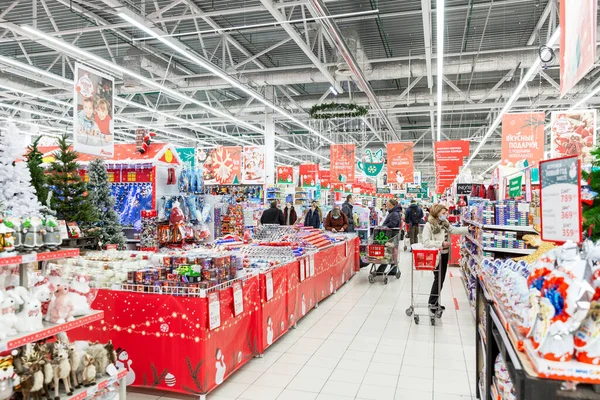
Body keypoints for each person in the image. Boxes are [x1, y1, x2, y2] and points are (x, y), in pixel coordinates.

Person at [423, 204, 473, 312]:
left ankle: (435, 302)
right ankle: (432, 303)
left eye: (446, 213)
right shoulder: (429, 225)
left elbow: (454, 230)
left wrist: (468, 229)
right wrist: (441, 243)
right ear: (437, 213)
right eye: (443, 213)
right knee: (438, 280)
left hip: (444, 254)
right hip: (436, 256)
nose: (445, 215)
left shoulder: (444, 223)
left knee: (440, 280)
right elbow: (426, 242)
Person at [378, 199, 402, 274]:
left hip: (392, 236)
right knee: (391, 252)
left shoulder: (394, 213)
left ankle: (384, 270)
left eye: (387, 204)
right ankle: (392, 270)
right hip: (391, 235)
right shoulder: (393, 212)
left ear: (391, 205)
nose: (386, 205)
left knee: (389, 253)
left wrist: (384, 226)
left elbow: (392, 224)